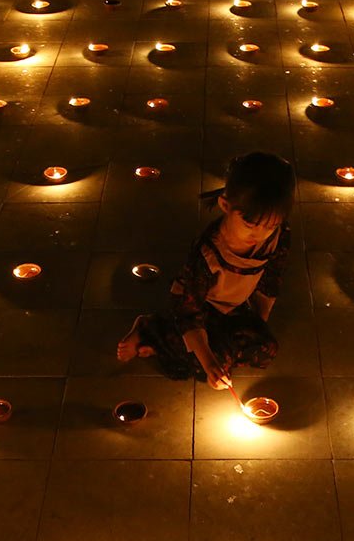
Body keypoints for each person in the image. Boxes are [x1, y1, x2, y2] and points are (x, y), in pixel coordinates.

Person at [117, 151, 293, 390]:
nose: (259, 234)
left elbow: (271, 278)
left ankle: (203, 346)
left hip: (233, 308)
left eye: (271, 225)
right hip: (196, 307)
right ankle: (151, 328)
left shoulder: (278, 236)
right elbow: (189, 311)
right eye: (250, 224)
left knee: (266, 350)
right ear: (225, 205)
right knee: (204, 363)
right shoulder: (209, 253)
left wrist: (257, 322)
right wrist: (210, 362)